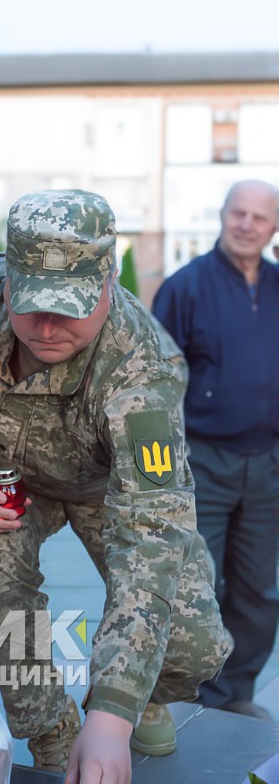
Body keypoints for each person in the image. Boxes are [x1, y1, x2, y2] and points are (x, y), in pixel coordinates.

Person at [0, 189, 231, 784]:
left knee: (194, 647)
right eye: (34, 306)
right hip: (7, 478)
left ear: (109, 280)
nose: (48, 327)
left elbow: (152, 536)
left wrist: (113, 709)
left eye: (69, 308)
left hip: (111, 491)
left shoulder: (142, 366)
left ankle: (136, 700)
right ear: (10, 280)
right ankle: (51, 736)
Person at [152, 180, 279, 720]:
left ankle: (238, 693)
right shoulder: (185, 287)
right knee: (195, 583)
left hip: (269, 463)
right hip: (203, 459)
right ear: (222, 216)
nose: (247, 224)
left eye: (260, 217)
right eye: (239, 213)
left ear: (273, 227)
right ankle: (192, 692)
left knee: (257, 588)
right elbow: (152, 379)